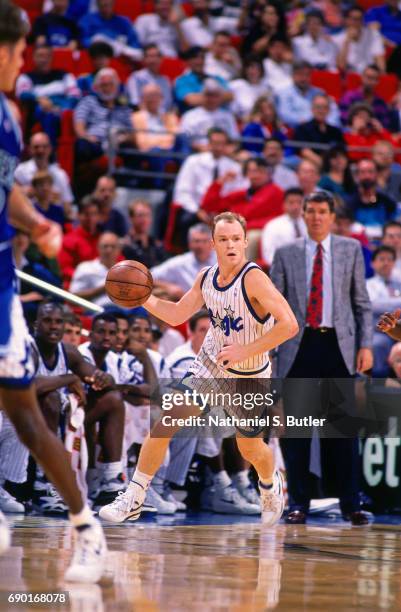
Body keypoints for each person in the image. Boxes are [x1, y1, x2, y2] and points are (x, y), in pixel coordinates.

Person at [98, 210, 299, 525]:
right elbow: (178, 314)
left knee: (250, 448)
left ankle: (270, 483)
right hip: (210, 365)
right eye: (223, 239)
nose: (230, 244)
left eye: (236, 239)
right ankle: (133, 497)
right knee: (165, 423)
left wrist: (246, 349)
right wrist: (144, 299)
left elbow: (289, 325)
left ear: (245, 242)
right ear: (213, 244)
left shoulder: (255, 278)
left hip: (250, 374)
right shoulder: (205, 277)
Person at [0, 0, 106, 581]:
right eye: (19, 52)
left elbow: (4, 193)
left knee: (24, 412)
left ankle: (87, 528)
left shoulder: (9, 117)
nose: (22, 62)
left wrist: (35, 221)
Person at [270, 190, 373, 526]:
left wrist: (366, 345)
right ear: (303, 214)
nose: (316, 217)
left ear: (332, 216)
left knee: (342, 431)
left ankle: (350, 502)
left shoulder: (351, 249)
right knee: (297, 431)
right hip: (297, 345)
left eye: (322, 212)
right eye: (310, 211)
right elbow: (273, 308)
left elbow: (362, 303)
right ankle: (298, 502)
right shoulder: (285, 253)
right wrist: (270, 352)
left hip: (338, 347)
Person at [172, 127, 242, 224]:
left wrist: (222, 213)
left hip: (223, 211)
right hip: (196, 209)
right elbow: (182, 192)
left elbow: (237, 193)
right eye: (216, 143)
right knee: (185, 220)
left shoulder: (234, 167)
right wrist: (197, 211)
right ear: (209, 144)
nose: (219, 148)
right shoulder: (193, 161)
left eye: (222, 144)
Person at [15, 43, 80, 146]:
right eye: (40, 56)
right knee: (47, 113)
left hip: (62, 111)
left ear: (51, 58)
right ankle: (49, 153)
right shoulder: (26, 77)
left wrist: (56, 105)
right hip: (39, 112)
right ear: (33, 58)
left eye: (47, 56)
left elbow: (75, 95)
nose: (43, 59)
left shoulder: (64, 75)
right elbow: (22, 94)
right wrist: (39, 100)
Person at [74, 68, 135, 164]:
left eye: (111, 85)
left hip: (119, 143)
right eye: (103, 85)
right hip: (95, 142)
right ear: (96, 87)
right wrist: (88, 137)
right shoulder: (88, 101)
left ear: (117, 86)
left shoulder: (124, 106)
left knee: (132, 148)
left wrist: (125, 138)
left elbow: (133, 132)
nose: (107, 89)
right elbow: (79, 127)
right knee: (82, 145)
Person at [14, 132, 74, 221]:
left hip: (53, 219)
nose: (40, 150)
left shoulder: (60, 175)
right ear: (30, 149)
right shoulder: (20, 171)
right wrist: (24, 193)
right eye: (36, 147)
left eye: (44, 147)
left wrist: (56, 199)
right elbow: (10, 198)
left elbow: (68, 208)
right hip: (27, 219)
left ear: (50, 149)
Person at [151, 223, 216, 299]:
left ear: (212, 243)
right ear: (189, 244)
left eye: (204, 241)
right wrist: (168, 286)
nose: (200, 246)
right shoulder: (180, 263)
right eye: (197, 241)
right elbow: (149, 277)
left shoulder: (222, 260)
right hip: (191, 309)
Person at [366, 246, 401, 376]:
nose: (386, 263)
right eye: (382, 259)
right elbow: (374, 305)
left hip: (398, 327)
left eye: (390, 259)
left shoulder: (399, 283)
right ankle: (379, 384)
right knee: (379, 343)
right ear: (373, 263)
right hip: (377, 331)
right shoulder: (367, 284)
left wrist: (387, 303)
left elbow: (382, 305)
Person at [276, 61, 340, 129]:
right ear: (293, 75)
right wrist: (308, 122)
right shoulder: (284, 93)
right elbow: (285, 115)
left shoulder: (320, 92)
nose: (304, 78)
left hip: (321, 130)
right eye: (300, 74)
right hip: (297, 131)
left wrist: (328, 123)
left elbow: (333, 112)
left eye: (307, 74)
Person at [180, 78, 239, 152]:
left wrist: (229, 149)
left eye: (215, 96)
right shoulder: (189, 116)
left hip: (224, 153)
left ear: (220, 97)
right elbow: (184, 139)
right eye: (209, 95)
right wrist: (199, 147)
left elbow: (235, 139)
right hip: (198, 153)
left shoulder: (227, 116)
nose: (212, 99)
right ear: (202, 95)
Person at [346, 158, 397, 240]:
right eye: (363, 172)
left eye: (370, 172)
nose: (367, 176)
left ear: (376, 174)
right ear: (357, 175)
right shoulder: (349, 203)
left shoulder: (387, 202)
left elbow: (393, 227)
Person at [173, 45, 232, 114]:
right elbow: (192, 100)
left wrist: (204, 98)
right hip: (195, 117)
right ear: (188, 61)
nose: (199, 61)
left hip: (218, 115)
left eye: (202, 57)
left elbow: (230, 95)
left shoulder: (215, 78)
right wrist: (217, 97)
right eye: (195, 58)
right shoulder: (182, 80)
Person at [70, 231, 121, 309]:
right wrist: (103, 289)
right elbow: (73, 297)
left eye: (113, 246)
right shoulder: (85, 268)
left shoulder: (126, 270)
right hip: (98, 310)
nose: (109, 250)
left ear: (119, 249)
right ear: (98, 247)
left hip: (125, 310)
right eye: (105, 246)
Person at [292, 93, 344, 168]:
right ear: (312, 109)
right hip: (311, 165)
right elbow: (304, 151)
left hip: (332, 167)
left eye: (325, 107)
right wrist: (325, 165)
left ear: (329, 110)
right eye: (318, 107)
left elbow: (340, 152)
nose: (321, 110)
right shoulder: (302, 129)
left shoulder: (336, 131)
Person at [58, 196, 100, 287]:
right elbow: (65, 270)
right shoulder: (68, 239)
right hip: (77, 289)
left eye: (94, 214)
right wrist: (90, 279)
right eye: (86, 214)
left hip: (102, 287)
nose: (91, 218)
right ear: (78, 215)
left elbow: (118, 261)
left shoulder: (104, 239)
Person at [261, 187, 307, 267]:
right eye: (291, 202)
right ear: (284, 204)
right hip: (282, 269)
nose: (296, 206)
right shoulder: (272, 226)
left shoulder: (311, 223)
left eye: (299, 202)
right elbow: (268, 254)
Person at [333, 6, 385, 73]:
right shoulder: (337, 38)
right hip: (349, 75)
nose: (357, 23)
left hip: (369, 74)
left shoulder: (373, 35)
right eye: (354, 19)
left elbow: (379, 58)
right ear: (346, 20)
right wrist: (347, 41)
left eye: (359, 19)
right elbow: (341, 66)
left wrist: (382, 76)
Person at [339, 64, 392, 130]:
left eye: (374, 79)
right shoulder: (349, 97)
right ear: (362, 77)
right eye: (368, 77)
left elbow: (385, 124)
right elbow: (343, 118)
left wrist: (378, 126)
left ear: (378, 82)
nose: (370, 82)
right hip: (352, 134)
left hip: (374, 136)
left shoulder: (380, 102)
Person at [126, 44, 173, 112]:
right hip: (144, 117)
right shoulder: (136, 77)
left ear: (161, 58)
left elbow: (169, 105)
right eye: (149, 57)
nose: (153, 60)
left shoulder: (165, 80)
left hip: (164, 118)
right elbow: (135, 103)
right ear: (144, 59)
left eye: (155, 56)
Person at [122, 199, 168, 269]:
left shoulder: (157, 245)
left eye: (147, 215)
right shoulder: (124, 246)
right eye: (140, 215)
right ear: (131, 218)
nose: (144, 219)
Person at [229, 56, 270, 120]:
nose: (253, 71)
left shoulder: (266, 87)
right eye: (250, 68)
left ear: (261, 70)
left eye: (257, 68)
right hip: (242, 121)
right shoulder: (237, 84)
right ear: (245, 70)